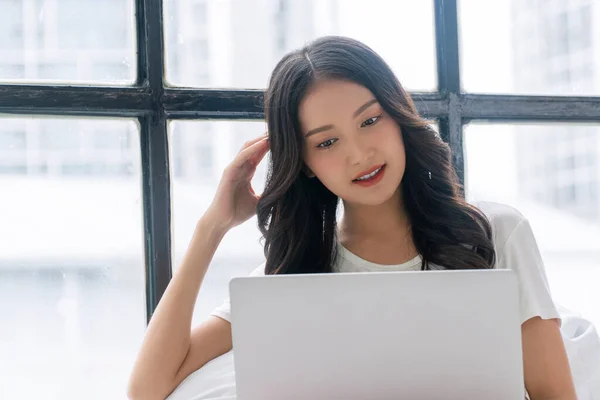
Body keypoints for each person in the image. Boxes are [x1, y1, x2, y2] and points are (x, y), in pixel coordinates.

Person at [127, 36, 578, 400]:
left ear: (399, 116)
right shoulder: (293, 272)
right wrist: (212, 228)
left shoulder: (496, 233)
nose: (358, 154)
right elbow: (147, 390)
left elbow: (553, 393)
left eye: (369, 121)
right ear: (303, 162)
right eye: (326, 143)